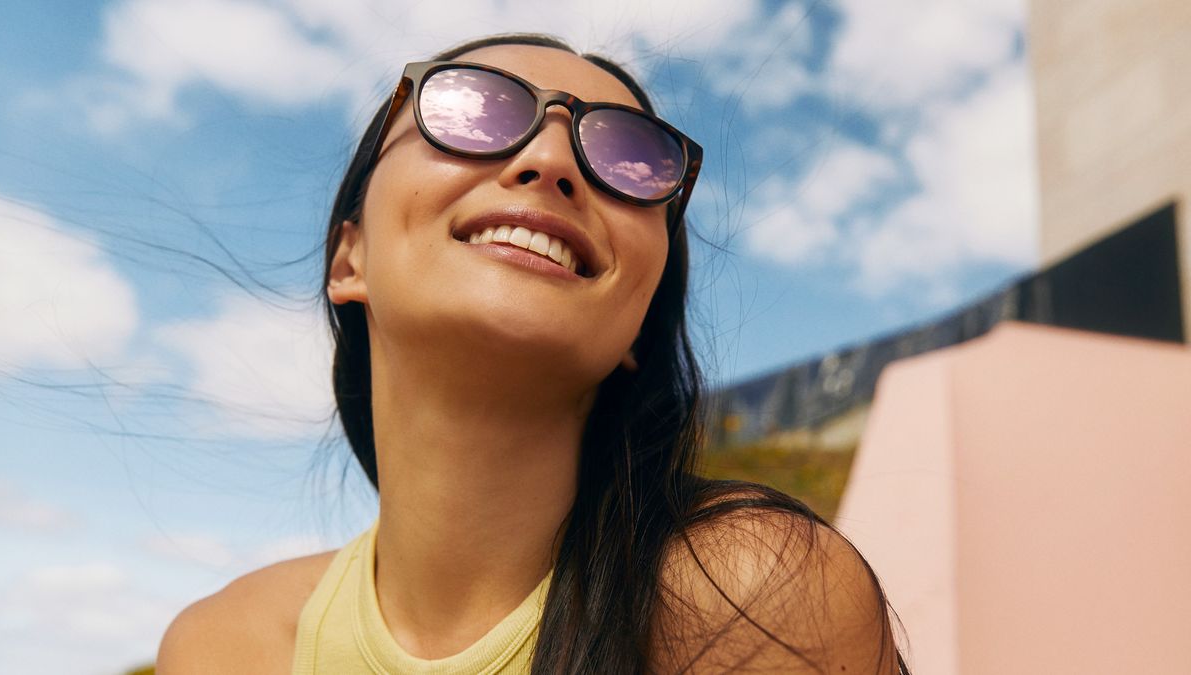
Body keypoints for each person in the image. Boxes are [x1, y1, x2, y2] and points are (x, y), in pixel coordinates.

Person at [155, 33, 909, 674]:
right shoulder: (222, 646)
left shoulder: (748, 594)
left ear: (642, 326)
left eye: (631, 157)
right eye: (468, 108)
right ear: (349, 258)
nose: (552, 159)